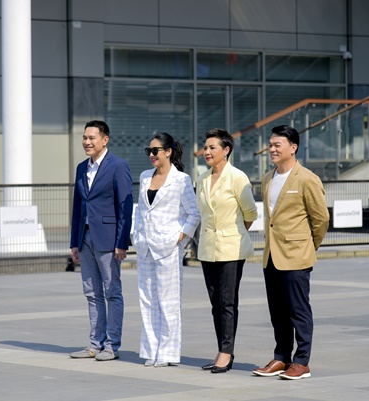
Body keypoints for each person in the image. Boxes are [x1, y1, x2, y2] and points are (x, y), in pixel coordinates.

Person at [253, 125, 329, 380]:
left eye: (277, 145)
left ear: (293, 148)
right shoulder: (267, 178)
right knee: (277, 312)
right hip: (271, 256)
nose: (272, 149)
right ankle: (281, 357)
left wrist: (308, 246)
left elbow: (321, 219)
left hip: (296, 255)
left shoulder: (307, 179)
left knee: (298, 311)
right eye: (270, 145)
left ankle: (302, 362)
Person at [132, 132, 201, 368]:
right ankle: (151, 350)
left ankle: (168, 353)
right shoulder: (144, 176)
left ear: (168, 152)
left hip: (168, 248)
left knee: (168, 302)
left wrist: (179, 238)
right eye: (149, 151)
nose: (151, 155)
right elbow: (141, 210)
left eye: (155, 151)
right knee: (147, 300)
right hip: (145, 246)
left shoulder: (181, 179)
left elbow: (194, 213)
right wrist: (136, 234)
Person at [69, 120, 133, 362]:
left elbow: (125, 207)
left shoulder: (118, 166)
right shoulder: (81, 168)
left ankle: (112, 345)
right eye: (84, 137)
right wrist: (74, 241)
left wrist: (122, 242)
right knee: (91, 293)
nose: (86, 142)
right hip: (85, 238)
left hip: (108, 239)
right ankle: (95, 344)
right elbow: (78, 206)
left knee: (112, 291)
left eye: (91, 138)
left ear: (105, 140)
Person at [196, 128, 257, 374]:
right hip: (207, 247)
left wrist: (234, 233)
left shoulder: (237, 177)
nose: (207, 152)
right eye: (205, 147)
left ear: (226, 150)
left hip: (231, 248)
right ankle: (221, 349)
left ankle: (226, 351)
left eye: (212, 147)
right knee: (215, 303)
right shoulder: (202, 178)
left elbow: (250, 213)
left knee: (227, 302)